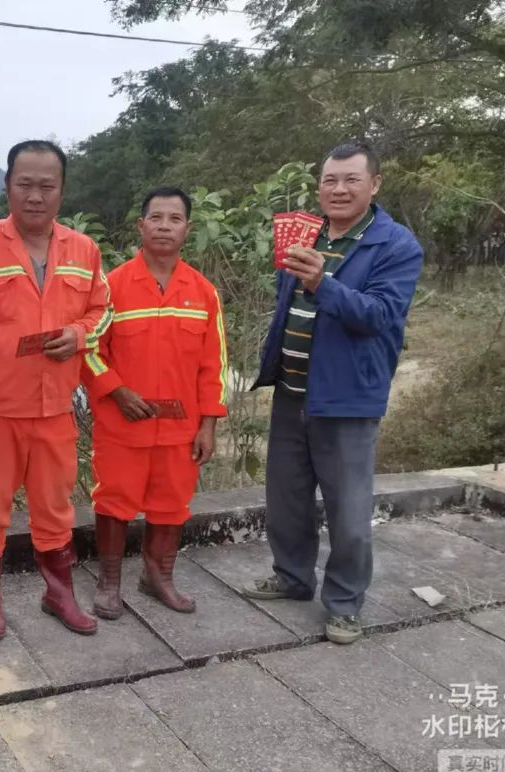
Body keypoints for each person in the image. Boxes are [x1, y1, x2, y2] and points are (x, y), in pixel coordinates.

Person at [244, 141, 423, 644]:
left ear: (375, 184)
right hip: (291, 389)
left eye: (351, 180)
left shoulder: (395, 245)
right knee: (287, 497)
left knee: (348, 511)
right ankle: (292, 576)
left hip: (346, 397)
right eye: (330, 180)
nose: (338, 189)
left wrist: (322, 283)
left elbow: (380, 315)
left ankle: (344, 603)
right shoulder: (307, 232)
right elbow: (289, 303)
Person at [0, 140, 112, 639]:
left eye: (47, 186)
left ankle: (58, 593)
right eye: (25, 184)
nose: (35, 196)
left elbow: (103, 310)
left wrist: (79, 335)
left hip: (55, 407)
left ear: (62, 190)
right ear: (7, 187)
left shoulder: (83, 250)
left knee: (55, 508)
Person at [82, 187, 228, 619]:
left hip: (180, 428)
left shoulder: (203, 292)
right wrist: (117, 391)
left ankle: (158, 578)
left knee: (172, 504)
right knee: (113, 502)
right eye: (157, 218)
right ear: (140, 225)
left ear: (188, 229)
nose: (165, 226)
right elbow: (89, 349)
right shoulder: (110, 288)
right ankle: (109, 583)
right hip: (122, 423)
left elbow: (214, 365)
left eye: (175, 219)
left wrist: (208, 425)